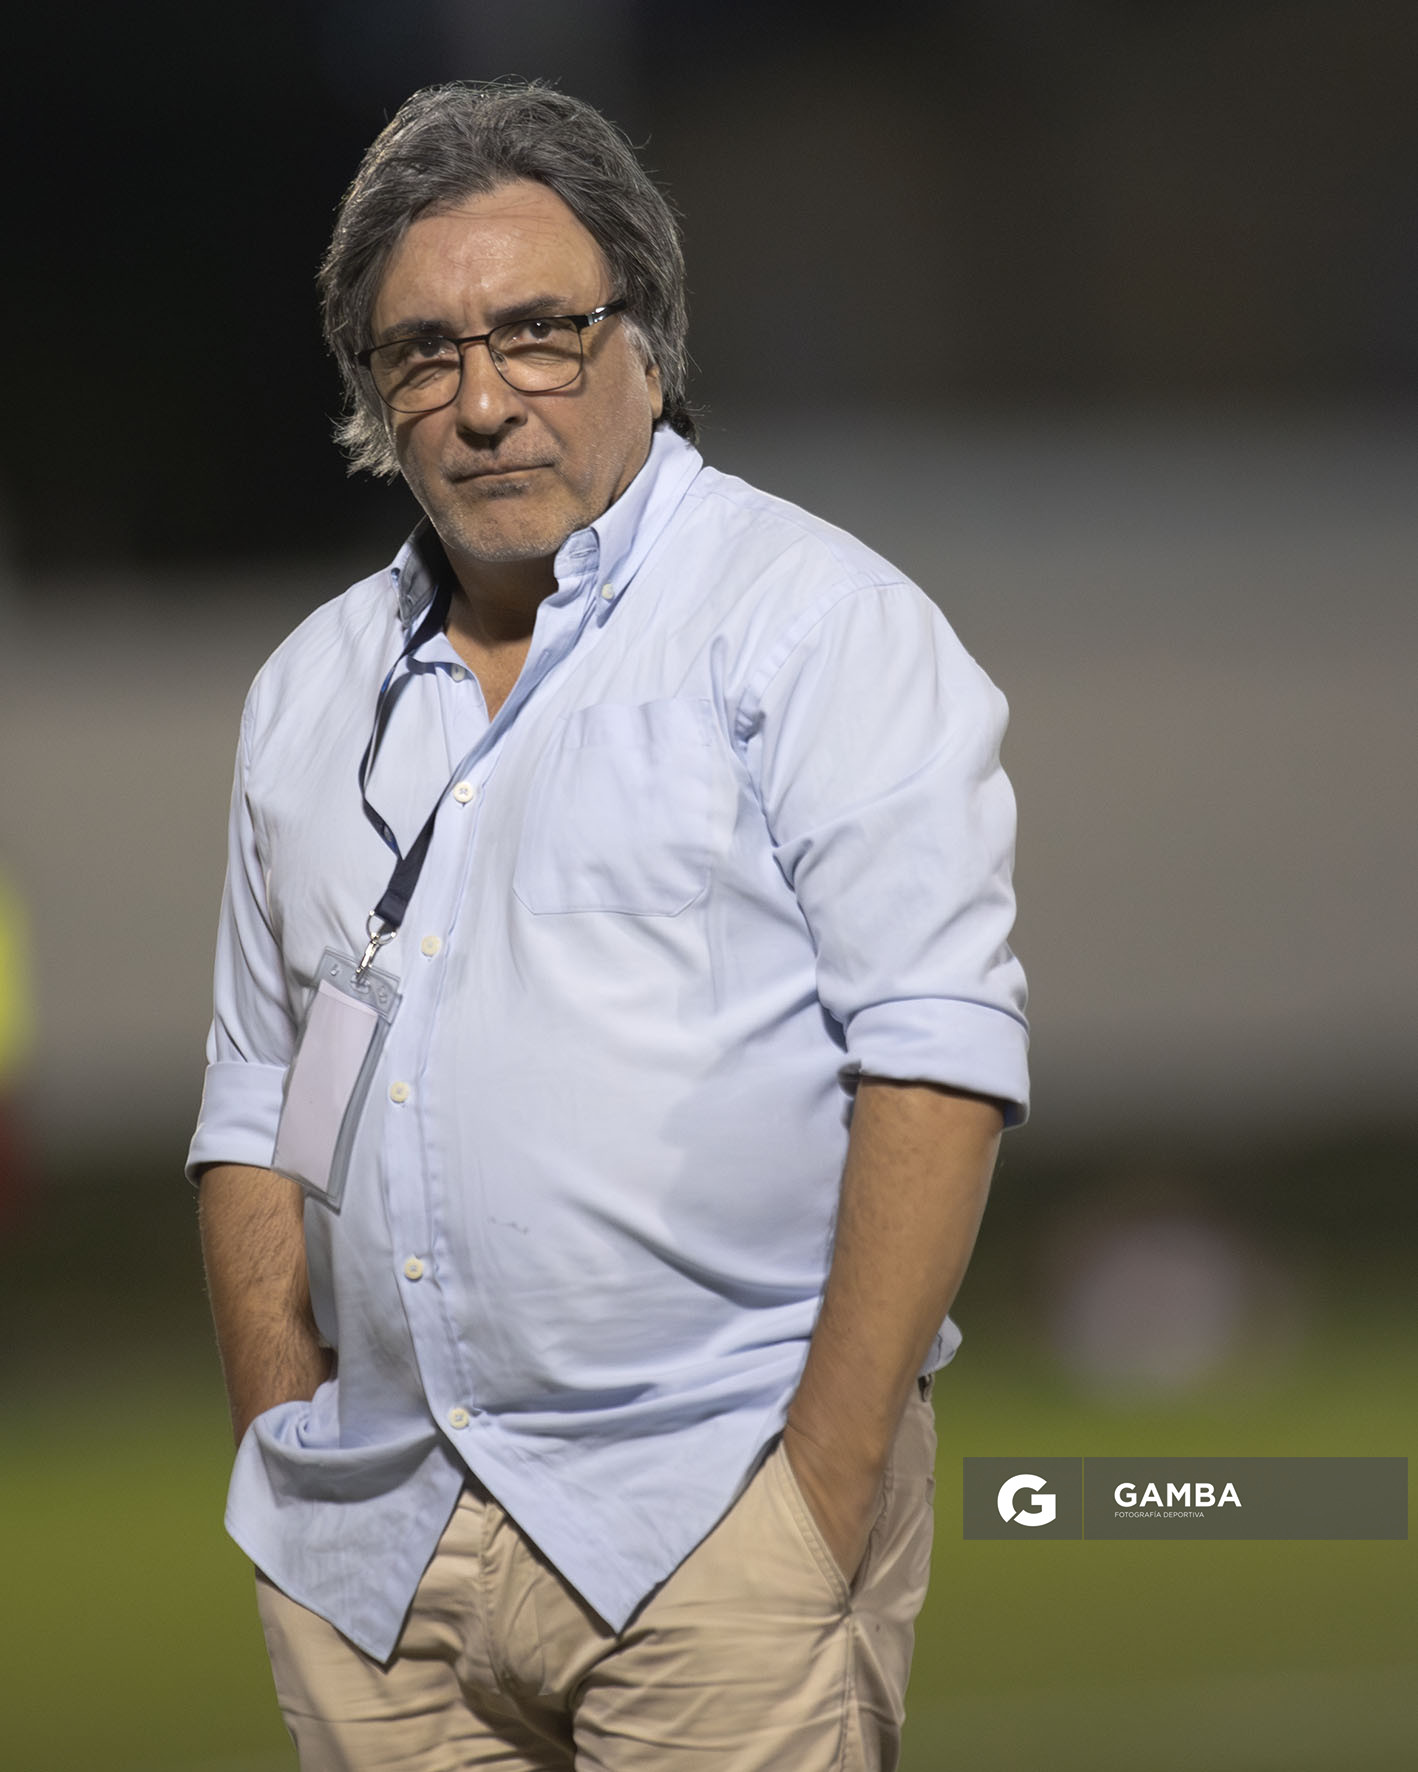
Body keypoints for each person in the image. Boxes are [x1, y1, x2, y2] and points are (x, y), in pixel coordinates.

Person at [191, 80, 1029, 1772]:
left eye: (539, 333)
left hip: (713, 1524)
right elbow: (256, 1107)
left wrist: (816, 1498)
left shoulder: (812, 630)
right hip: (376, 1557)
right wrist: (287, 1439)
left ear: (644, 338)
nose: (484, 399)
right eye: (423, 351)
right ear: (373, 392)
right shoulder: (307, 693)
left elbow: (933, 1066)